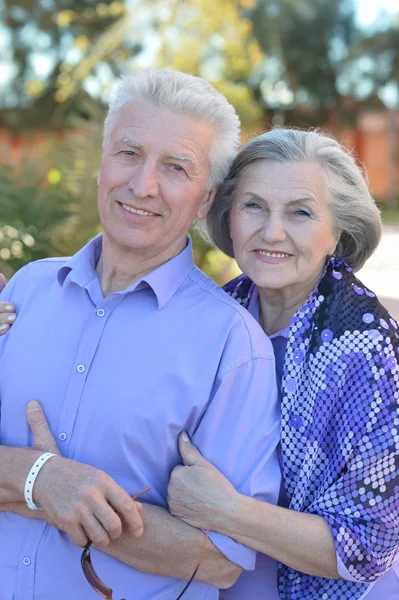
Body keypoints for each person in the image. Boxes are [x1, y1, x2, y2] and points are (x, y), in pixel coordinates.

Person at [0, 69, 281, 600]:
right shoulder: (26, 293)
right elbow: (44, 483)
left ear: (206, 199)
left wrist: (70, 499)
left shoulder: (233, 347)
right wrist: (39, 479)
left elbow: (223, 561)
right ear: (103, 162)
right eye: (129, 153)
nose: (143, 184)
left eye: (176, 167)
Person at [165, 128, 399, 599]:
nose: (272, 232)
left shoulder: (366, 348)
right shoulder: (217, 312)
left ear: (337, 231)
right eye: (254, 205)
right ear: (227, 218)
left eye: (300, 212)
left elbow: (368, 546)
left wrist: (228, 512)